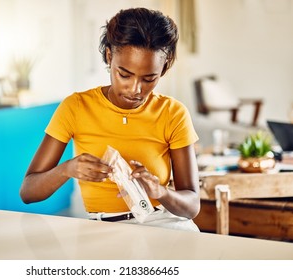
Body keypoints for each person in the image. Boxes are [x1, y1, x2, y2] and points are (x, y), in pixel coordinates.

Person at [20, 7, 200, 231]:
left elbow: (192, 206)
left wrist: (161, 192)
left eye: (149, 78)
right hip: (102, 229)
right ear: (108, 56)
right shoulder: (76, 107)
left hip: (165, 223)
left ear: (163, 68)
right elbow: (28, 192)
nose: (135, 89)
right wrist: (67, 169)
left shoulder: (173, 113)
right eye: (124, 74)